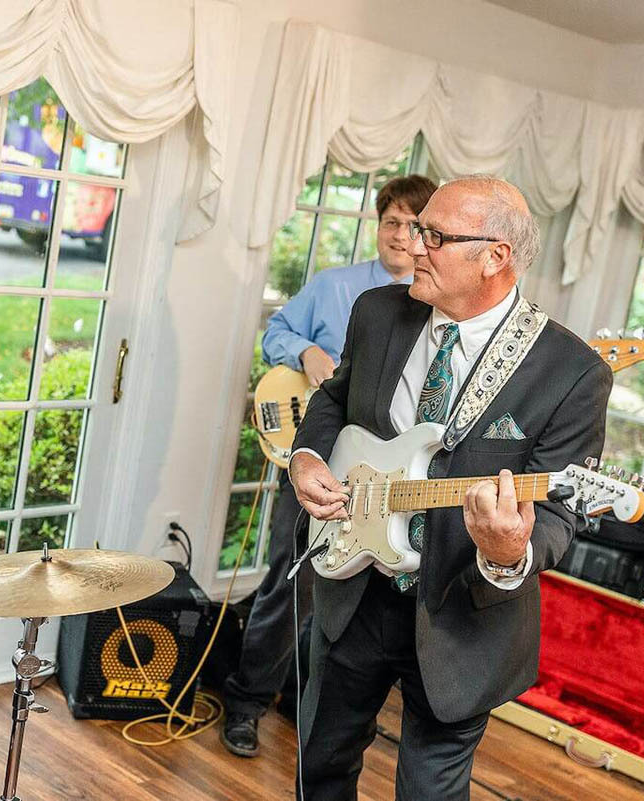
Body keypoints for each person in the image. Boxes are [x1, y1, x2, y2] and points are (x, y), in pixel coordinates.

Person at [289, 175, 610, 799]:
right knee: (319, 769)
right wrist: (306, 456)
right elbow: (334, 398)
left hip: (463, 617)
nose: (412, 245)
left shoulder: (571, 373)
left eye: (434, 235)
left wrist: (508, 550)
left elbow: (556, 517)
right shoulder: (378, 312)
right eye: (414, 230)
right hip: (352, 587)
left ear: (496, 257)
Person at [221, 175, 437, 757]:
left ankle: (303, 701)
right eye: (391, 221)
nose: (401, 235)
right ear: (378, 225)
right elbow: (277, 333)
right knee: (291, 585)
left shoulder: (438, 312)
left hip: (381, 480)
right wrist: (306, 351)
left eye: (414, 225)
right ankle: (244, 702)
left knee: (349, 596)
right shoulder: (336, 287)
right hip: (315, 463)